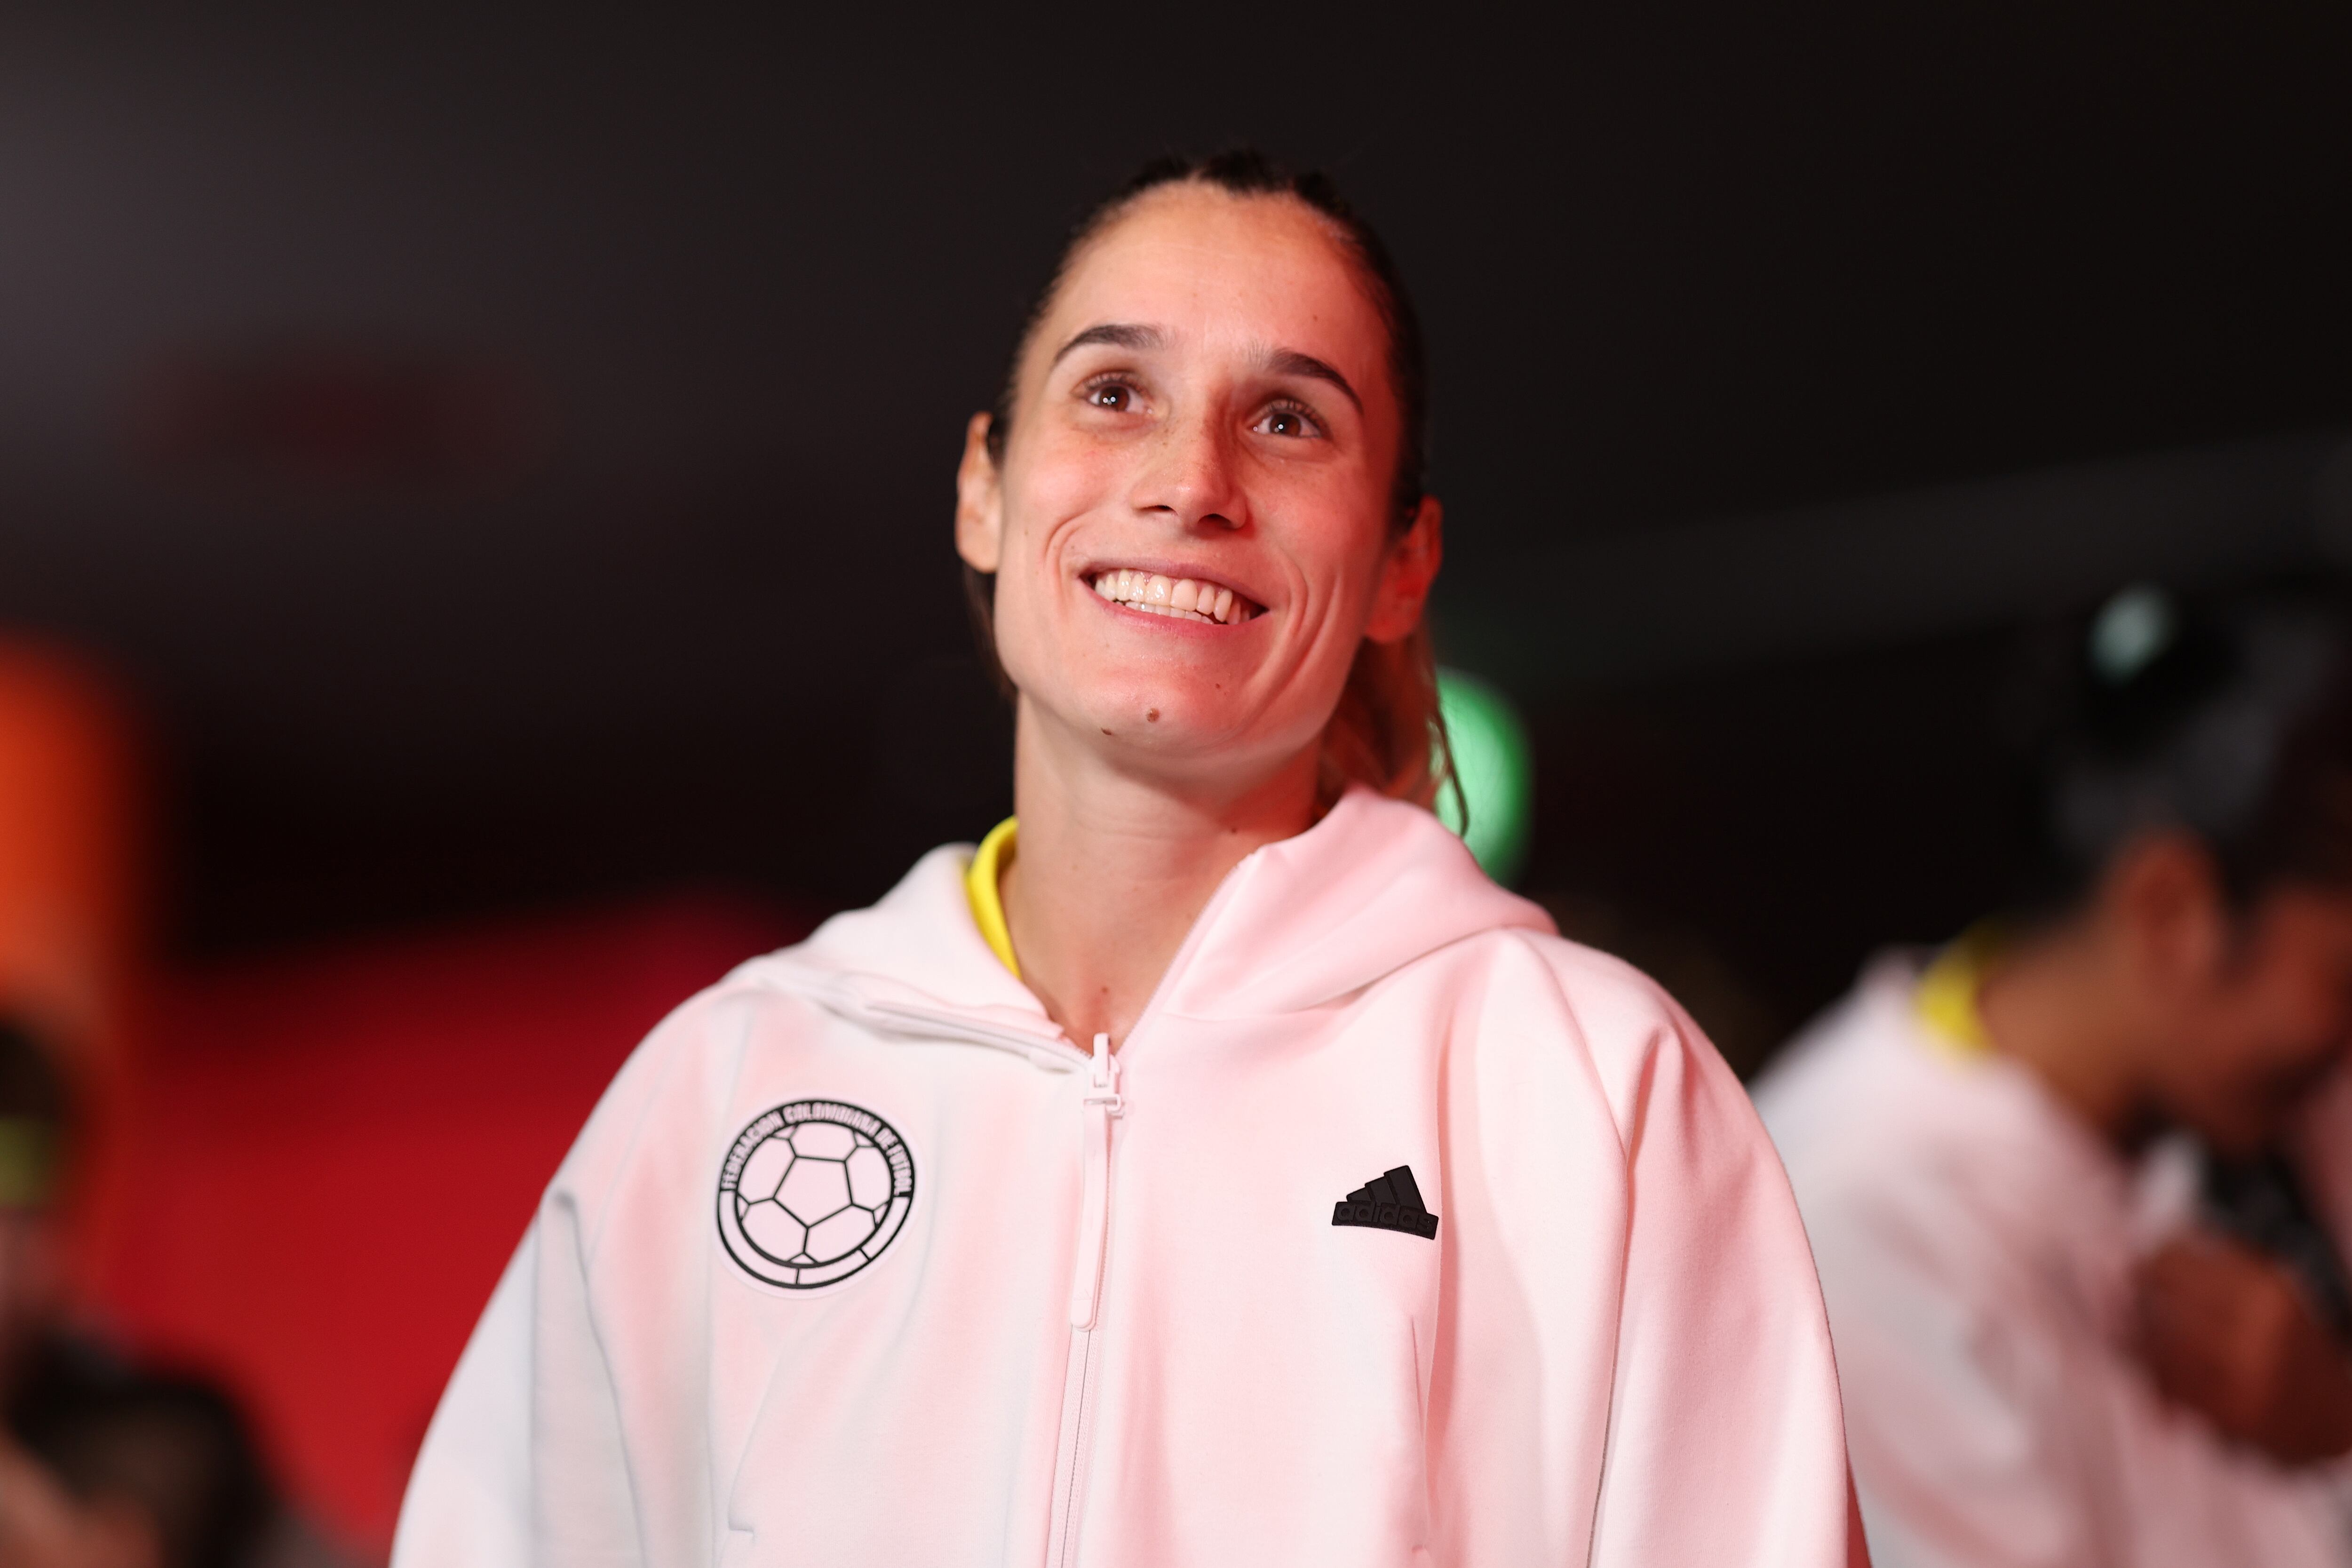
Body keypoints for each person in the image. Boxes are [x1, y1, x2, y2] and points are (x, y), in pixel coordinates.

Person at [393, 149, 1859, 1566]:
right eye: (1113, 392)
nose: (1189, 479)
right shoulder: (725, 1084)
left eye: (1288, 419)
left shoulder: (1591, 1088)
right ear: (985, 484)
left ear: (1403, 561)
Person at [1755, 584, 2352, 1567]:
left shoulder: (2212, 1104)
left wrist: (2333, 1421)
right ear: (2169, 908)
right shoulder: (1859, 1212)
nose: (2342, 1046)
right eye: (2341, 982)